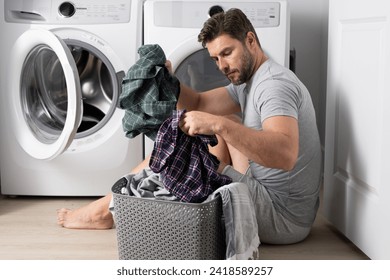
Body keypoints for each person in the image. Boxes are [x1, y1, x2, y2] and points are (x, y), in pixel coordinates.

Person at [57, 8, 321, 245]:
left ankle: (104, 210)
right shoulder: (251, 81)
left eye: (227, 53)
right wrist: (170, 80)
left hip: (280, 218)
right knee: (225, 124)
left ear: (250, 41)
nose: (223, 66)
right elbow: (199, 101)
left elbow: (285, 155)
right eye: (216, 59)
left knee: (183, 153)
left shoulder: (274, 86)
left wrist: (216, 124)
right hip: (281, 203)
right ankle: (114, 204)